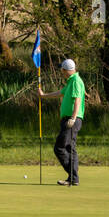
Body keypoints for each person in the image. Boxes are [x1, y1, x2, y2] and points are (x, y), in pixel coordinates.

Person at [38, 58, 85, 186]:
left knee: (59, 147)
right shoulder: (72, 81)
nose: (61, 72)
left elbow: (77, 100)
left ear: (65, 70)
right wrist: (44, 96)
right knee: (70, 148)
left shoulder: (75, 81)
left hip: (71, 119)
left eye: (62, 70)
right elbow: (60, 93)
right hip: (70, 119)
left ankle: (73, 176)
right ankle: (73, 178)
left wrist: (73, 118)